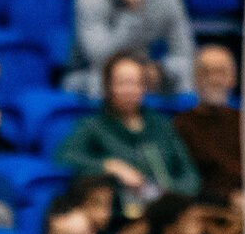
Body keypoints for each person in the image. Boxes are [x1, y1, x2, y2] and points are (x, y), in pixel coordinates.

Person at [56, 52, 200, 204]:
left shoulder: (161, 125)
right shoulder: (93, 125)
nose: (129, 90)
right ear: (108, 86)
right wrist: (109, 166)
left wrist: (168, 191)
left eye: (135, 83)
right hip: (119, 212)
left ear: (144, 87)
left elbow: (190, 177)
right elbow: (65, 157)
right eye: (122, 83)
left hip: (166, 208)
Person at [62, 0, 194, 99]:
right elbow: (99, 57)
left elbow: (185, 52)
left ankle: (182, 121)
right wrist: (131, 13)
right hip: (89, 73)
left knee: (185, 70)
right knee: (103, 80)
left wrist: (159, 69)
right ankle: (106, 124)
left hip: (144, 69)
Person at [170, 45, 242, 197]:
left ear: (233, 78)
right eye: (206, 72)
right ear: (195, 78)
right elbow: (186, 182)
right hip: (205, 207)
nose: (214, 79)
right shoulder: (180, 125)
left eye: (220, 72)